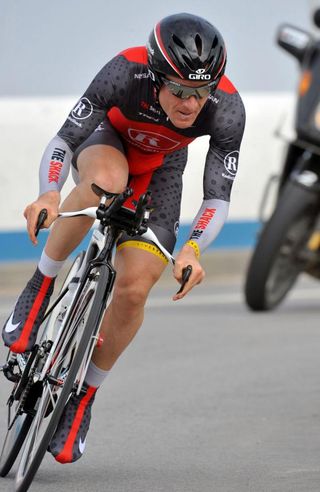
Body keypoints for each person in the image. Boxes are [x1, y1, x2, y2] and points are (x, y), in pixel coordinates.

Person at [2, 12, 245, 463]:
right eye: (179, 90)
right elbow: (63, 141)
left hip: (161, 173)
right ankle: (39, 288)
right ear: (155, 77)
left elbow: (217, 196)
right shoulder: (125, 71)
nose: (192, 103)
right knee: (107, 183)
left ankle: (84, 397)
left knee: (135, 288)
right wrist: (49, 194)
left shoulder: (227, 108)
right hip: (105, 142)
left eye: (202, 91)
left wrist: (192, 249)